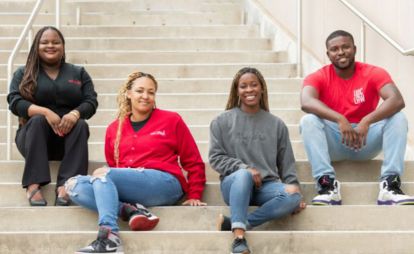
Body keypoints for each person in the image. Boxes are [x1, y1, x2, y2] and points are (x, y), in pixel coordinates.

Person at [65, 71, 206, 253]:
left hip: (165, 183)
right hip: (131, 187)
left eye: (151, 92)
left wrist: (194, 194)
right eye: (140, 91)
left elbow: (193, 160)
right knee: (73, 185)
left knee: (103, 173)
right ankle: (130, 211)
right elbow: (113, 170)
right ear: (128, 93)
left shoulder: (172, 120)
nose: (145, 96)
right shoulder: (114, 129)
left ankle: (109, 236)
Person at [300, 30, 413, 206]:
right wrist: (340, 119)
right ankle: (327, 186)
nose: (341, 52)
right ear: (328, 54)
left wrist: (366, 121)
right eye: (335, 49)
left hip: (365, 141)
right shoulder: (319, 76)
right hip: (335, 142)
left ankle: (390, 186)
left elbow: (396, 99)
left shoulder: (373, 72)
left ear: (354, 48)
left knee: (398, 118)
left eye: (345, 47)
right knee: (308, 121)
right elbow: (306, 101)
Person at [209, 67, 306, 254]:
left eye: (254, 85)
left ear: (262, 88)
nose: (249, 90)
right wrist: (243, 168)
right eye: (243, 86)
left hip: (265, 187)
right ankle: (238, 239)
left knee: (293, 195)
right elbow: (215, 158)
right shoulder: (221, 121)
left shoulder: (277, 124)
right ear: (236, 90)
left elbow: (287, 164)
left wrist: (295, 192)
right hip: (234, 185)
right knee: (244, 175)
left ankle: (238, 223)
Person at [7, 26, 98, 206]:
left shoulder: (78, 72)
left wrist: (75, 113)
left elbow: (91, 101)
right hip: (33, 138)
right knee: (39, 120)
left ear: (63, 46)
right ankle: (33, 184)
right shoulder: (23, 72)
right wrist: (45, 111)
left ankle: (67, 185)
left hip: (66, 140)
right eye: (45, 42)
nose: (51, 45)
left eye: (56, 42)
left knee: (81, 125)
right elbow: (14, 102)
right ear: (36, 46)